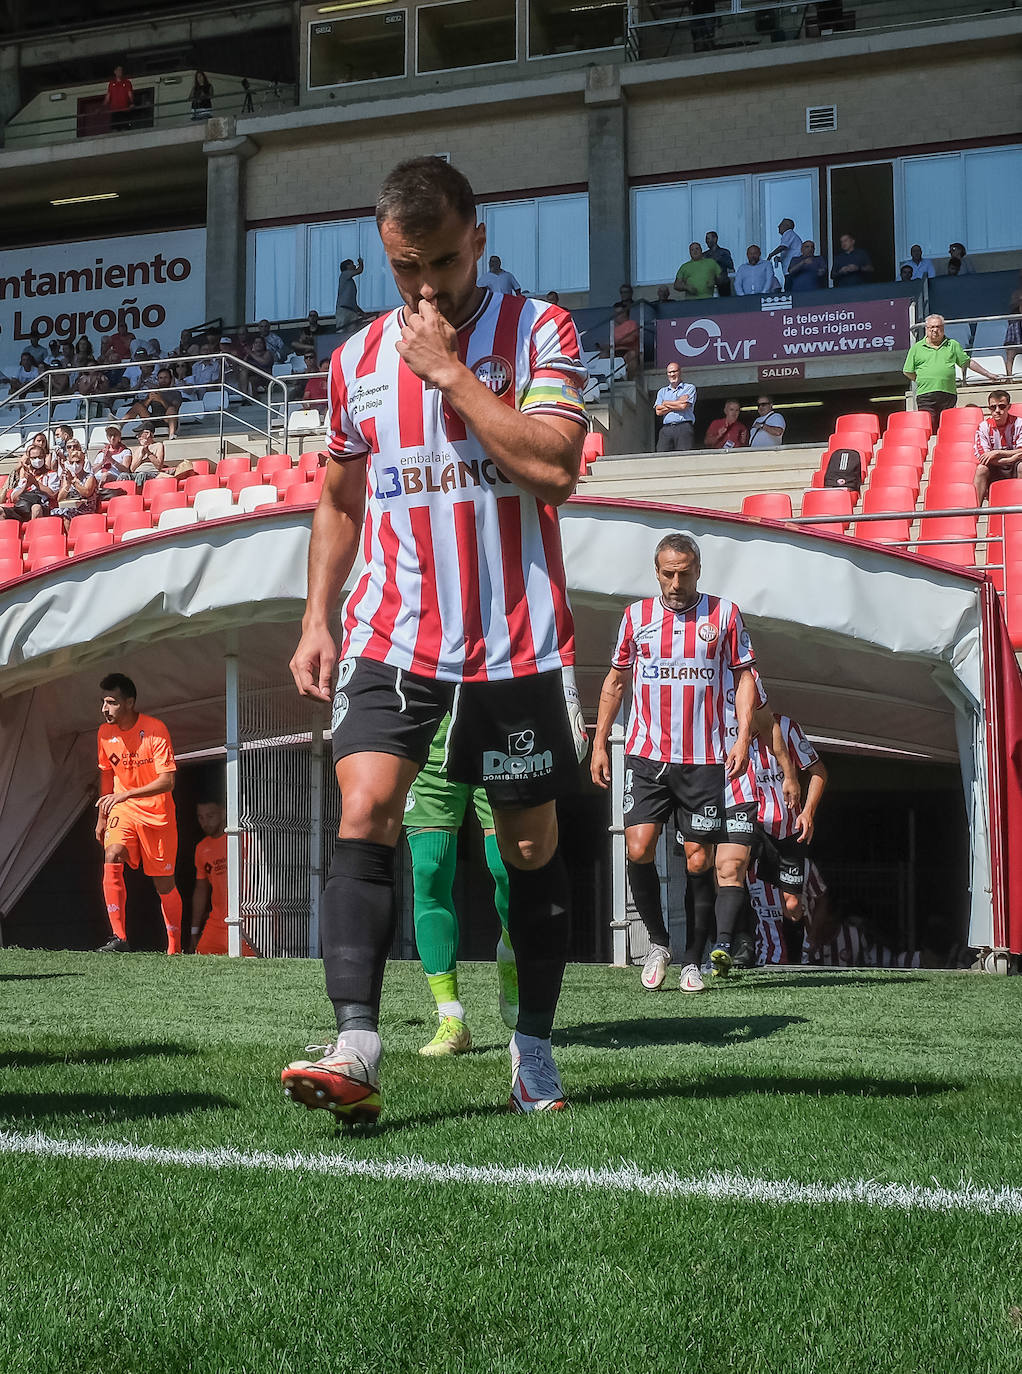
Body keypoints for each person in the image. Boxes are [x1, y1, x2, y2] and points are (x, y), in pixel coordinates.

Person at [280, 156, 589, 1124]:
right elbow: (337, 498)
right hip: (392, 633)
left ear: (478, 242)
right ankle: (358, 1046)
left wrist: (449, 374)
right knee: (364, 807)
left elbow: (554, 469)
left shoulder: (539, 330)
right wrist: (316, 614)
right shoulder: (353, 364)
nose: (424, 289)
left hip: (512, 645)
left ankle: (530, 1046)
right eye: (405, 269)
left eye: (444, 265)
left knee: (530, 849)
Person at [590, 534, 759, 993]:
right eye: (668, 572)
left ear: (698, 571)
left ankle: (691, 961)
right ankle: (658, 945)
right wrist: (600, 741)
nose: (676, 582)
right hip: (647, 756)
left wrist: (743, 736)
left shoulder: (723, 615)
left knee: (698, 858)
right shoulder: (636, 617)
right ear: (657, 571)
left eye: (684, 573)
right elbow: (615, 681)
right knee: (638, 848)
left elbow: (746, 677)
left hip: (704, 759)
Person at [404, 716, 518, 1055]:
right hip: (429, 738)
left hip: (498, 733)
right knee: (428, 871)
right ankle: (450, 1018)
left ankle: (511, 954)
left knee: (508, 871)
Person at [95, 673, 182, 954]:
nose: (105, 709)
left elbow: (167, 781)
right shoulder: (104, 734)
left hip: (158, 814)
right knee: (112, 853)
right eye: (103, 702)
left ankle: (174, 947)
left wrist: (127, 793)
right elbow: (107, 775)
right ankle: (118, 938)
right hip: (124, 808)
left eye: (112, 702)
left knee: (163, 883)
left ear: (129, 702)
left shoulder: (155, 730)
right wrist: (102, 816)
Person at [744, 712, 827, 963]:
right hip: (752, 826)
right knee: (736, 886)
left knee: (791, 906)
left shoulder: (788, 728)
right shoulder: (730, 728)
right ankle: (744, 954)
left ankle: (795, 961)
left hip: (788, 830)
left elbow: (819, 772)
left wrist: (808, 812)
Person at [903, 314, 1000, 426]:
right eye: (932, 327)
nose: (935, 330)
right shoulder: (916, 348)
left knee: (947, 427)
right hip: (925, 395)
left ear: (943, 328)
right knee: (928, 427)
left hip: (948, 394)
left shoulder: (952, 345)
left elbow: (967, 362)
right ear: (926, 329)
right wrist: (922, 379)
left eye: (938, 327)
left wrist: (988, 374)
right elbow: (907, 371)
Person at [189, 801, 256, 955]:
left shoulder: (245, 839)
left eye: (210, 816)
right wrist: (194, 929)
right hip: (217, 922)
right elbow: (201, 889)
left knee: (251, 965)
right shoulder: (202, 848)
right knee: (200, 959)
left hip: (248, 920)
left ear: (224, 813)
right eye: (200, 817)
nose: (205, 822)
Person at [973, 391, 1022, 506]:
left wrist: (996, 452)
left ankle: (1019, 507)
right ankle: (973, 513)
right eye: (993, 407)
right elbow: (984, 458)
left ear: (1009, 407)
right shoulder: (983, 427)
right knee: (981, 469)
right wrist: (1010, 458)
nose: (997, 411)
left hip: (1015, 465)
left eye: (1002, 406)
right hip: (995, 467)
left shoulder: (1019, 423)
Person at [121, 367, 182, 438]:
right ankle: (120, 423)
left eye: (166, 377)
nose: (163, 380)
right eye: (161, 378)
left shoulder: (176, 393)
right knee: (138, 405)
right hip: (153, 419)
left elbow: (175, 409)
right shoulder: (154, 392)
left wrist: (161, 400)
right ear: (158, 379)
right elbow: (142, 407)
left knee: (171, 409)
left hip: (167, 420)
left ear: (170, 379)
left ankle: (172, 435)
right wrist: (149, 399)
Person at [654, 362, 696, 451]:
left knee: (684, 458)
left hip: (684, 427)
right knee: (662, 457)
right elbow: (658, 411)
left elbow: (683, 406)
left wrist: (665, 403)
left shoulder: (689, 388)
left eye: (674, 371)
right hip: (666, 429)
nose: (672, 374)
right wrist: (678, 402)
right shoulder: (662, 391)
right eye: (669, 372)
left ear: (680, 372)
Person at [55, 441, 99, 521]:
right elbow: (59, 498)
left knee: (67, 513)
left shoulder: (89, 477)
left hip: (86, 508)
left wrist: (73, 482)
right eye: (72, 462)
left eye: (78, 462)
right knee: (55, 513)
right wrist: (67, 485)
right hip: (70, 506)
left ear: (83, 462)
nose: (75, 465)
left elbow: (87, 493)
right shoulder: (68, 478)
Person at [92, 424, 134, 490]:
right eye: (110, 435)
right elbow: (92, 471)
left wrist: (111, 459)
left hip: (115, 477)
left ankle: (99, 491)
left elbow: (126, 469)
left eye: (115, 435)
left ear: (119, 437)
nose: (112, 438)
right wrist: (102, 462)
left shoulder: (125, 451)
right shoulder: (102, 452)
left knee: (105, 475)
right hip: (98, 476)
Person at [335, 257, 365, 329]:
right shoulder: (344, 274)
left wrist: (361, 312)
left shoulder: (348, 281)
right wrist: (361, 262)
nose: (354, 265)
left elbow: (351, 301)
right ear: (347, 266)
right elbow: (359, 270)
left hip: (350, 310)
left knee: (349, 332)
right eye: (352, 264)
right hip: (344, 310)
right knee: (343, 331)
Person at [103, 64, 135, 132]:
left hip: (124, 110)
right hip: (114, 111)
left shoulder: (127, 82)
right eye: (118, 70)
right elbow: (108, 96)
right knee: (114, 130)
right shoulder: (111, 83)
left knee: (124, 129)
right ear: (115, 72)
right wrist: (102, 107)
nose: (120, 72)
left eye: (121, 70)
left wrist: (132, 103)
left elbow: (130, 94)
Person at [1003, 270, 1022, 380]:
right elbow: (1009, 344)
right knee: (1010, 351)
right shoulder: (1016, 293)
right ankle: (1010, 378)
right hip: (1018, 344)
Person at [612, 303, 640, 379]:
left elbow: (631, 338)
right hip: (615, 351)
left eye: (619, 313)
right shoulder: (613, 326)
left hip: (629, 350)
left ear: (626, 313)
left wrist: (617, 342)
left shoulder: (632, 324)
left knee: (632, 354)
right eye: (615, 313)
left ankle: (630, 380)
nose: (617, 315)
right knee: (603, 355)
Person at [703, 232, 734, 297]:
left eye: (708, 238)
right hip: (708, 284)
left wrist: (719, 259)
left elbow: (731, 266)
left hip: (723, 283)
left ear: (715, 239)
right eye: (706, 239)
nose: (706, 241)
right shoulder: (704, 255)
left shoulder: (724, 252)